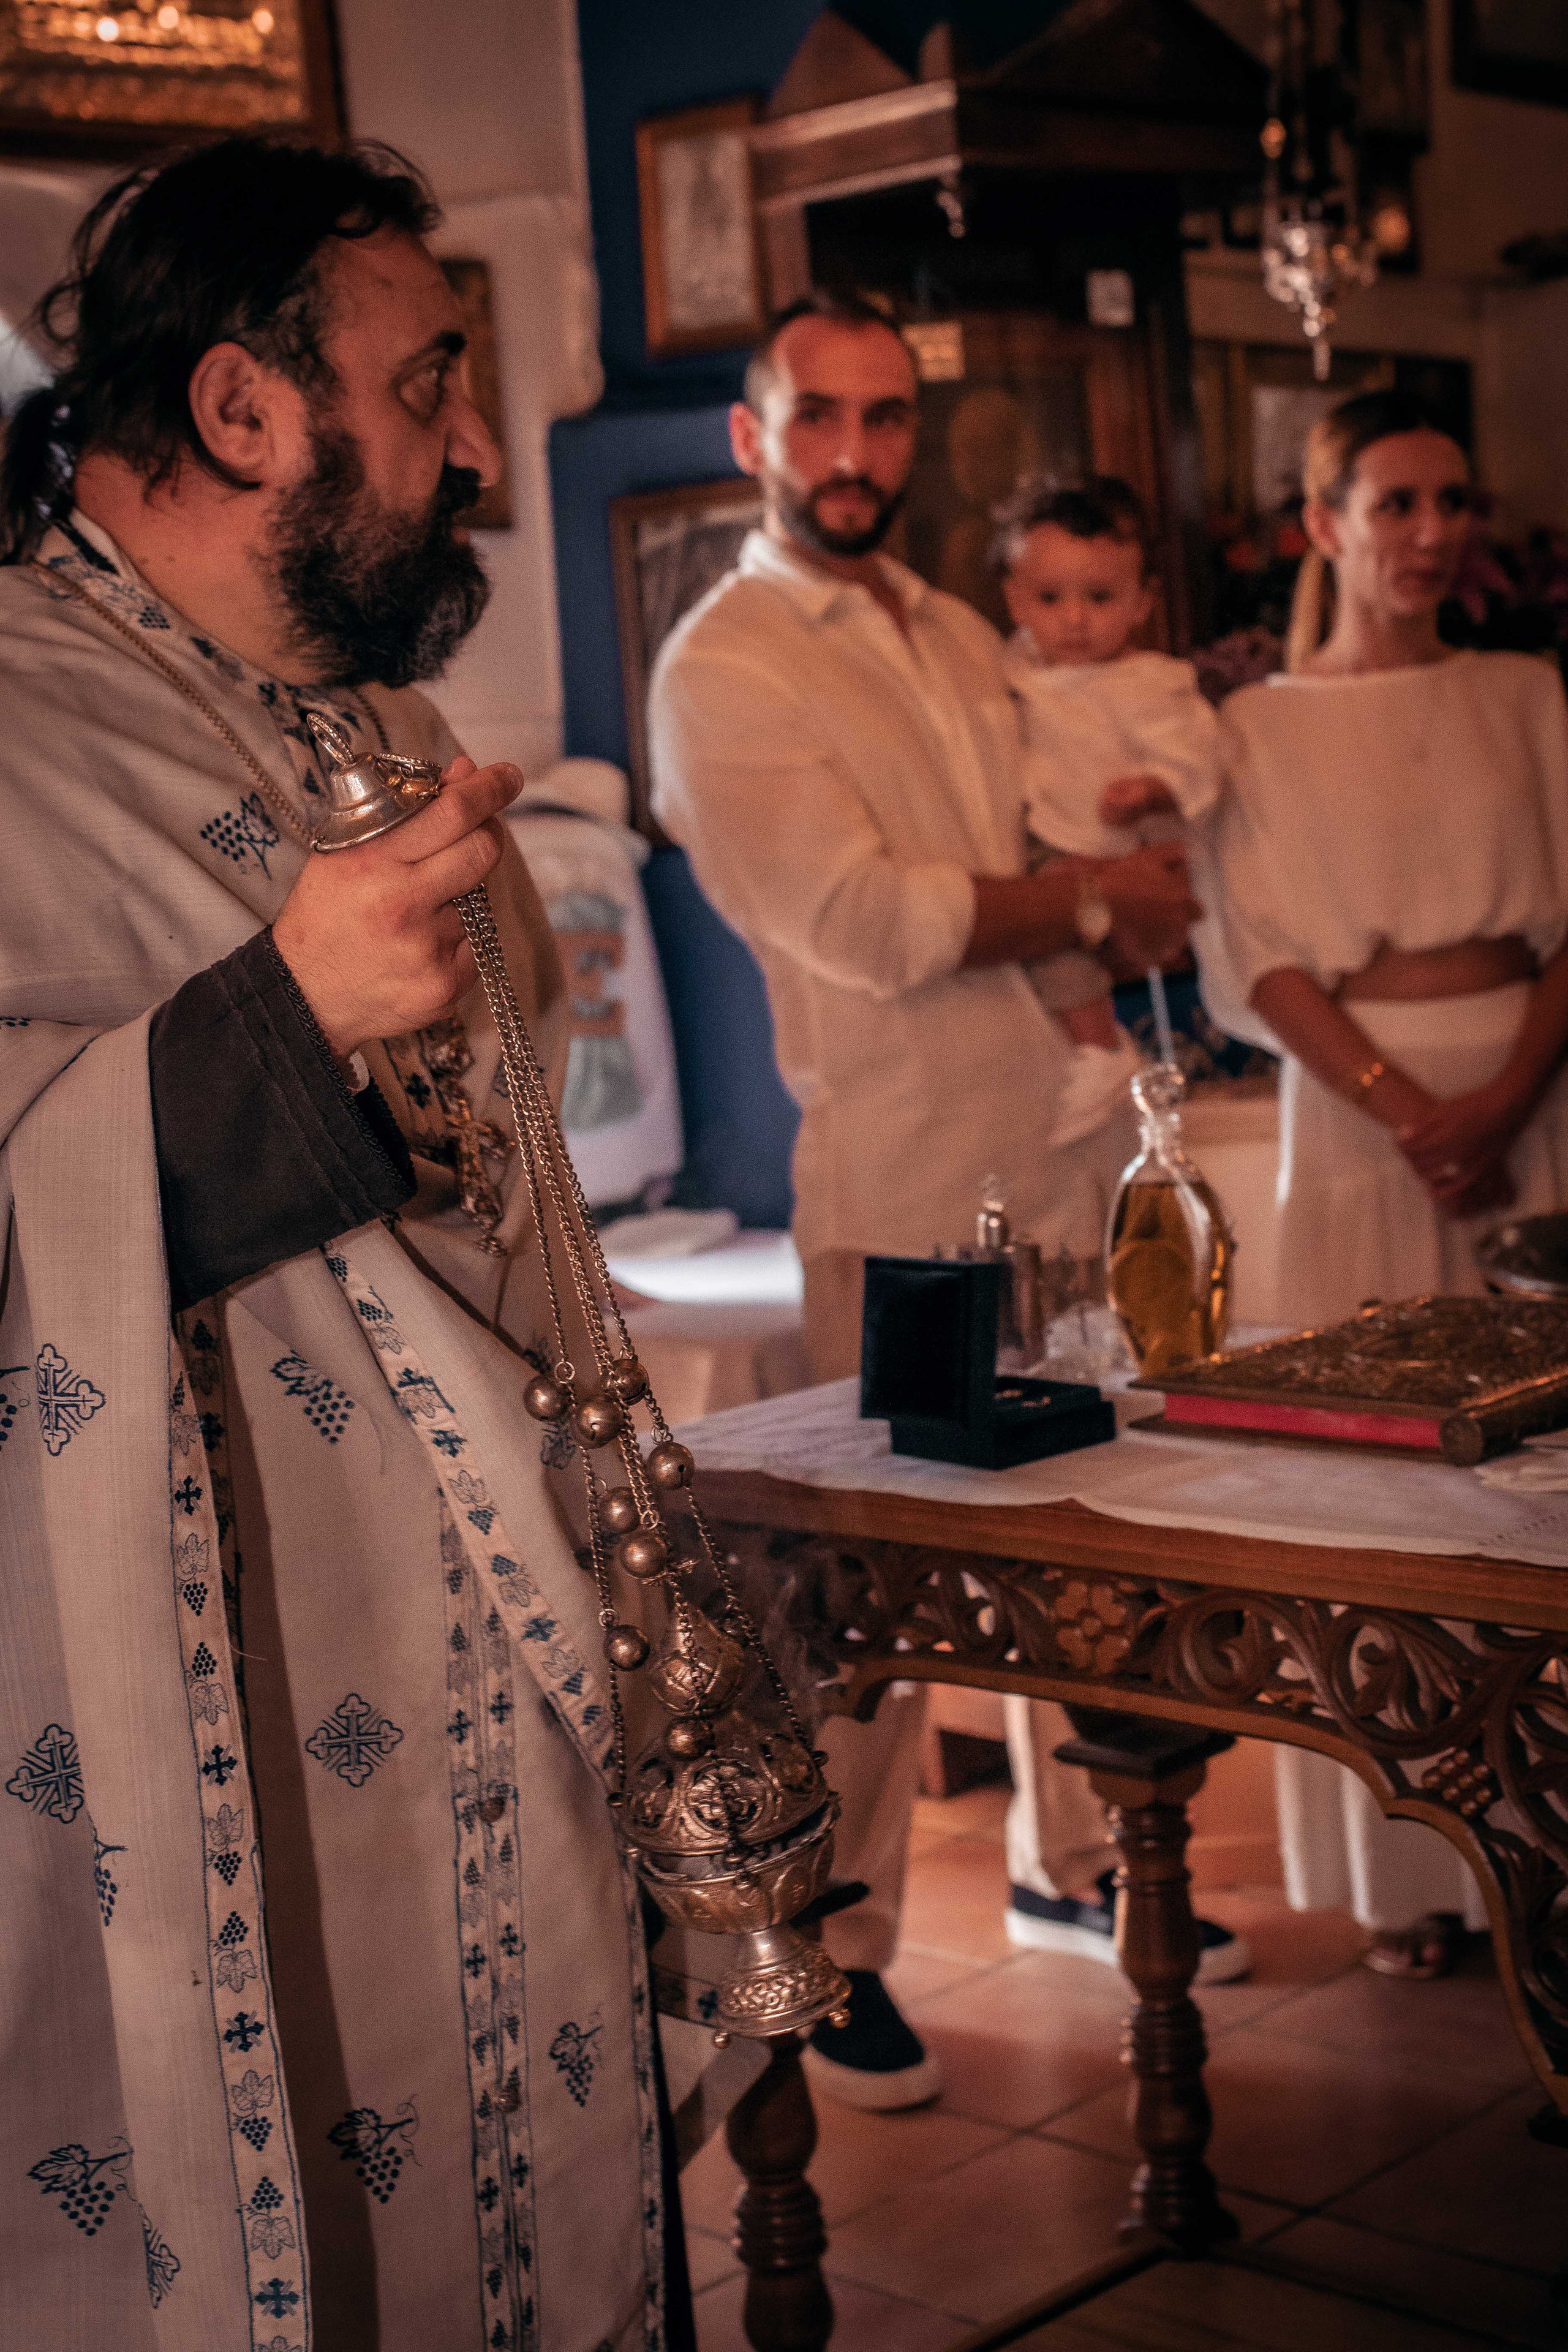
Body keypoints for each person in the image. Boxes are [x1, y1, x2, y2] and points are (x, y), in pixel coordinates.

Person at [0, 138, 693, 2347]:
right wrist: (274, 1027)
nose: (480, 453)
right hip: (203, 1728)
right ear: (237, 411)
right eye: (432, 388)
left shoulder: (381, 738)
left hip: (491, 1670)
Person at [649, 291, 1245, 2109]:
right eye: (815, 416)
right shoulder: (722, 664)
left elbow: (1050, 823)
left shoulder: (945, 621)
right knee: (873, 1600)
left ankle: (1071, 1865)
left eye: (885, 418)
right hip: (907, 1184)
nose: (853, 451)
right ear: (754, 435)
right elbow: (875, 919)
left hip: (1059, 1140)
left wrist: (1103, 879)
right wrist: (1083, 900)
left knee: (1077, 1522)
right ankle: (822, 1946)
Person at [1196, 386, 1568, 1977]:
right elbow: (1254, 951)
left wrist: (1502, 1097)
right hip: (1355, 1120)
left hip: (1533, 1094)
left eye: (1453, 503)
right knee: (1380, 1478)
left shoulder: (1529, 689)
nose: (1432, 534)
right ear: (1324, 523)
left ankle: (1552, 1841)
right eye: (1397, 504)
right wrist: (1409, 1106)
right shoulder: (1255, 726)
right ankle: (1414, 1872)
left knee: (1539, 1474)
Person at [995, 471, 1223, 1142]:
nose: (1073, 618)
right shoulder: (1011, 670)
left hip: (1110, 847)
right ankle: (1093, 1052)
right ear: (1014, 600)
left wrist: (1157, 787)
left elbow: (1201, 754)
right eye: (1049, 597)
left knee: (1059, 947)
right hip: (1040, 836)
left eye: (1098, 597)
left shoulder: (1149, 684)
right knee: (1038, 943)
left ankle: (1099, 1052)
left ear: (1141, 602)